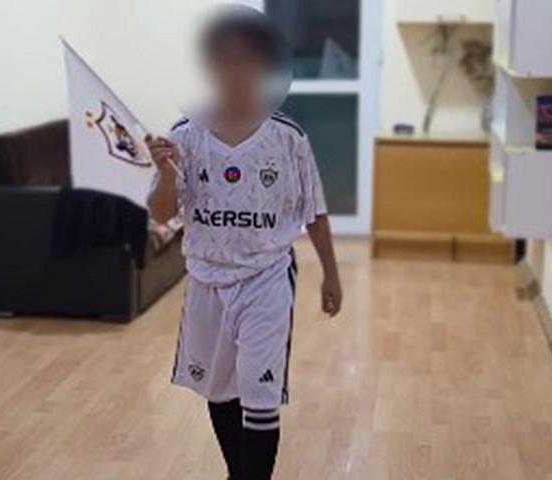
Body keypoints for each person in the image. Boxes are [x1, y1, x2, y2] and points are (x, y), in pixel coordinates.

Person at [146, 8, 342, 480]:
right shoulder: (184, 136)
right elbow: (161, 213)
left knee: (260, 395)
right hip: (206, 280)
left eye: (246, 59)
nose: (235, 70)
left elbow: (314, 210)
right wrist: (166, 173)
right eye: (225, 59)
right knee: (220, 391)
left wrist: (331, 275)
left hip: (266, 278)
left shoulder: (287, 137)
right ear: (210, 66)